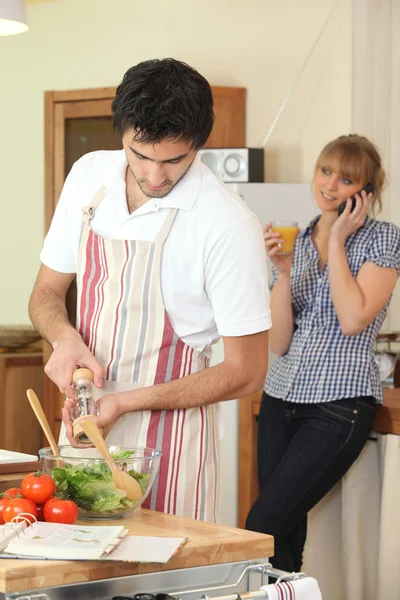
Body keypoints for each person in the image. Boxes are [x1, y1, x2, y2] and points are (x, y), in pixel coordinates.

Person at [29, 58, 271, 523]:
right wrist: (63, 337)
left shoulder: (226, 223)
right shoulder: (87, 176)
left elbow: (247, 371)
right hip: (82, 437)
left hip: (172, 451)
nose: (155, 176)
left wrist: (125, 401)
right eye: (140, 155)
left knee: (160, 590)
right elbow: (45, 293)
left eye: (173, 160)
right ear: (122, 133)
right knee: (73, 588)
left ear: (198, 146)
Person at [245, 134, 400, 571]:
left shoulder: (382, 239)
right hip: (280, 399)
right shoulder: (299, 233)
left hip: (337, 407)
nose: (330, 185)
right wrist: (282, 272)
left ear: (366, 193)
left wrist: (336, 242)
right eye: (325, 171)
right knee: (283, 539)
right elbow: (278, 342)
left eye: (346, 179)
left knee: (261, 525)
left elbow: (353, 319)